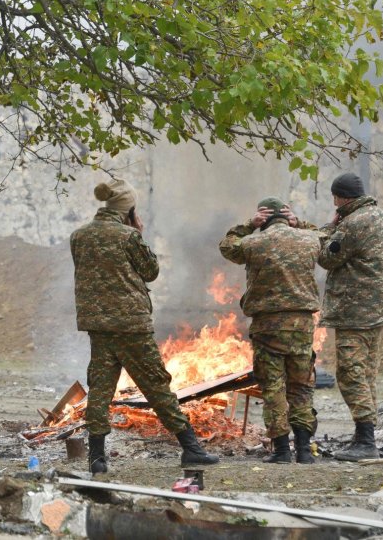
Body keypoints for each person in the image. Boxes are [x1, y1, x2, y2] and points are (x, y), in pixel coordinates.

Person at [71, 178, 219, 474]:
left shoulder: (79, 236)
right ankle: (191, 448)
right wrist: (138, 234)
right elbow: (150, 272)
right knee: (156, 385)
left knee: (100, 389)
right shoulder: (129, 236)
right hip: (131, 325)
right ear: (129, 209)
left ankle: (97, 458)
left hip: (98, 326)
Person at [219, 197, 321, 464]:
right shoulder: (309, 240)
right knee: (301, 387)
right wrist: (300, 224)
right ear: (286, 217)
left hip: (267, 327)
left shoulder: (253, 242)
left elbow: (227, 247)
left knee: (274, 388)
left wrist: (247, 225)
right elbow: (329, 238)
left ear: (262, 219)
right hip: (302, 325)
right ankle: (304, 450)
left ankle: (281, 451)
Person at [317, 173, 383, 461]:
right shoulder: (380, 217)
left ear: (341, 198)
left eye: (335, 198)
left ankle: (365, 441)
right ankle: (365, 436)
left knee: (351, 373)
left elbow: (326, 257)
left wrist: (330, 228)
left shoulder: (353, 223)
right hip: (377, 309)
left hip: (355, 312)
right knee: (366, 373)